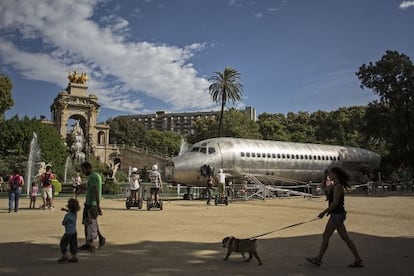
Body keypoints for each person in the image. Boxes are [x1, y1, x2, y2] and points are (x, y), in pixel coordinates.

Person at [306, 167, 363, 268]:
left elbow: (335, 202)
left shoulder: (338, 187)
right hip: (337, 215)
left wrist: (324, 212)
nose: (329, 175)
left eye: (331, 173)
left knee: (326, 236)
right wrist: (324, 176)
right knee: (345, 238)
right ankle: (358, 260)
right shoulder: (334, 185)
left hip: (337, 215)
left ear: (335, 174)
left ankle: (318, 259)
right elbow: (325, 188)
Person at [78, 161, 106, 250]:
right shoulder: (96, 175)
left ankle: (89, 243)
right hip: (92, 203)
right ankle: (100, 238)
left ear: (88, 168)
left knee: (88, 223)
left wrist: (98, 205)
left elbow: (95, 190)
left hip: (91, 203)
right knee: (93, 223)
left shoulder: (92, 177)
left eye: (83, 170)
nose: (83, 172)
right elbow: (92, 187)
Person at [58, 198, 81, 263]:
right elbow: (71, 211)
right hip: (74, 231)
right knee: (73, 244)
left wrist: (64, 222)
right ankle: (74, 256)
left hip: (68, 232)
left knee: (63, 243)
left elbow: (63, 223)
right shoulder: (75, 214)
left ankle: (64, 255)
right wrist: (65, 210)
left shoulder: (67, 216)